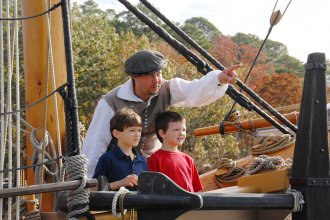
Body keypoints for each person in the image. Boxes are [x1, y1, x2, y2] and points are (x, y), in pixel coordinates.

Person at [82, 49, 239, 179]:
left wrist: (219, 78)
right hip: (118, 169)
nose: (156, 79)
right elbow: (94, 147)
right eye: (150, 75)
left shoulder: (168, 89)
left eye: (159, 73)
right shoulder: (111, 102)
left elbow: (195, 90)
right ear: (134, 77)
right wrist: (91, 186)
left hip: (155, 165)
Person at [92, 108, 148, 190]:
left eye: (139, 130)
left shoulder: (142, 160)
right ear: (116, 133)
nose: (137, 134)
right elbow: (94, 189)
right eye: (132, 130)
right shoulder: (107, 159)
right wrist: (121, 183)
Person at [147, 111, 203, 192]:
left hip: (188, 204)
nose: (181, 133)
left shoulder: (188, 160)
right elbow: (152, 190)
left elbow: (196, 190)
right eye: (176, 130)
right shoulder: (154, 159)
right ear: (162, 133)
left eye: (184, 130)